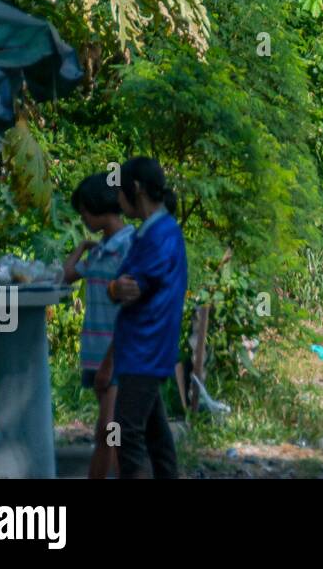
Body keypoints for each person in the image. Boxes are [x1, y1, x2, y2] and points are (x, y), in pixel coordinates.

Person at [107, 157, 188, 479]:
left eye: (121, 190)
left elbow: (130, 283)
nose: (117, 198)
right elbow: (120, 283)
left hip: (146, 348)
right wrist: (116, 286)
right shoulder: (154, 231)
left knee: (128, 433)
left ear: (136, 189)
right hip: (144, 348)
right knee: (155, 436)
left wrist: (116, 287)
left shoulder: (160, 235)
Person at [62, 173, 135, 480]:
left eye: (83, 211)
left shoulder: (129, 245)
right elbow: (65, 276)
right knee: (113, 431)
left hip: (116, 352)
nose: (82, 217)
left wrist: (114, 359)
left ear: (97, 207)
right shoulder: (101, 250)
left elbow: (134, 305)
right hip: (94, 352)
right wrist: (81, 246)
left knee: (108, 430)